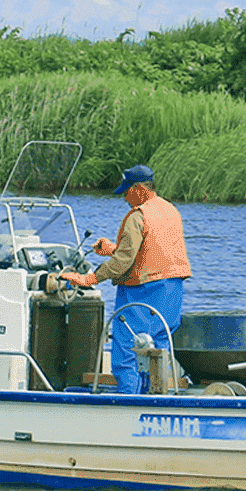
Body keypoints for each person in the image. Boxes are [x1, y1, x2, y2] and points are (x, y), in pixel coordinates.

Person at [85, 165, 192, 394]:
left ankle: (128, 399)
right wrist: (113, 249)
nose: (125, 198)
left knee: (128, 347)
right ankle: (157, 395)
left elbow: (124, 262)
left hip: (142, 292)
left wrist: (91, 278)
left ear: (138, 188)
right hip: (172, 290)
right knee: (159, 347)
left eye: (126, 192)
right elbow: (152, 250)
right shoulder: (170, 210)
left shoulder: (138, 215)